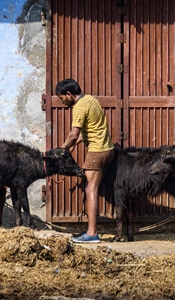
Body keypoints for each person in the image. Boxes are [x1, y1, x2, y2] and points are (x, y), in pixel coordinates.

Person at [55, 78, 115, 243]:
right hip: (107, 149)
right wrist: (75, 144)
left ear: (69, 94)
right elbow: (91, 129)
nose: (62, 102)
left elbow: (73, 135)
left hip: (97, 151)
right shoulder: (91, 99)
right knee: (92, 188)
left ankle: (92, 233)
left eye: (62, 98)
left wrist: (61, 151)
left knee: (90, 190)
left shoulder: (79, 107)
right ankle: (91, 230)